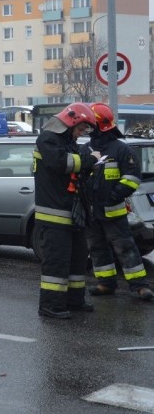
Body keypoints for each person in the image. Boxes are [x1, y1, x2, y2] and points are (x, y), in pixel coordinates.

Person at [33, 102, 101, 319]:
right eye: (81, 129)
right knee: (57, 262)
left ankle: (74, 300)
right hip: (54, 214)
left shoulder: (66, 141)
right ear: (71, 121)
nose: (81, 134)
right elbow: (61, 163)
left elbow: (73, 170)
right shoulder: (48, 138)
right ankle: (50, 305)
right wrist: (91, 160)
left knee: (78, 259)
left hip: (71, 212)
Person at [81, 103, 153, 301]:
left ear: (100, 125)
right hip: (91, 211)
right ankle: (105, 283)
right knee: (96, 247)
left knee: (125, 247)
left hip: (113, 210)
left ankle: (140, 286)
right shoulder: (86, 148)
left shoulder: (121, 149)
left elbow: (133, 178)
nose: (88, 128)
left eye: (90, 124)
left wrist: (113, 195)